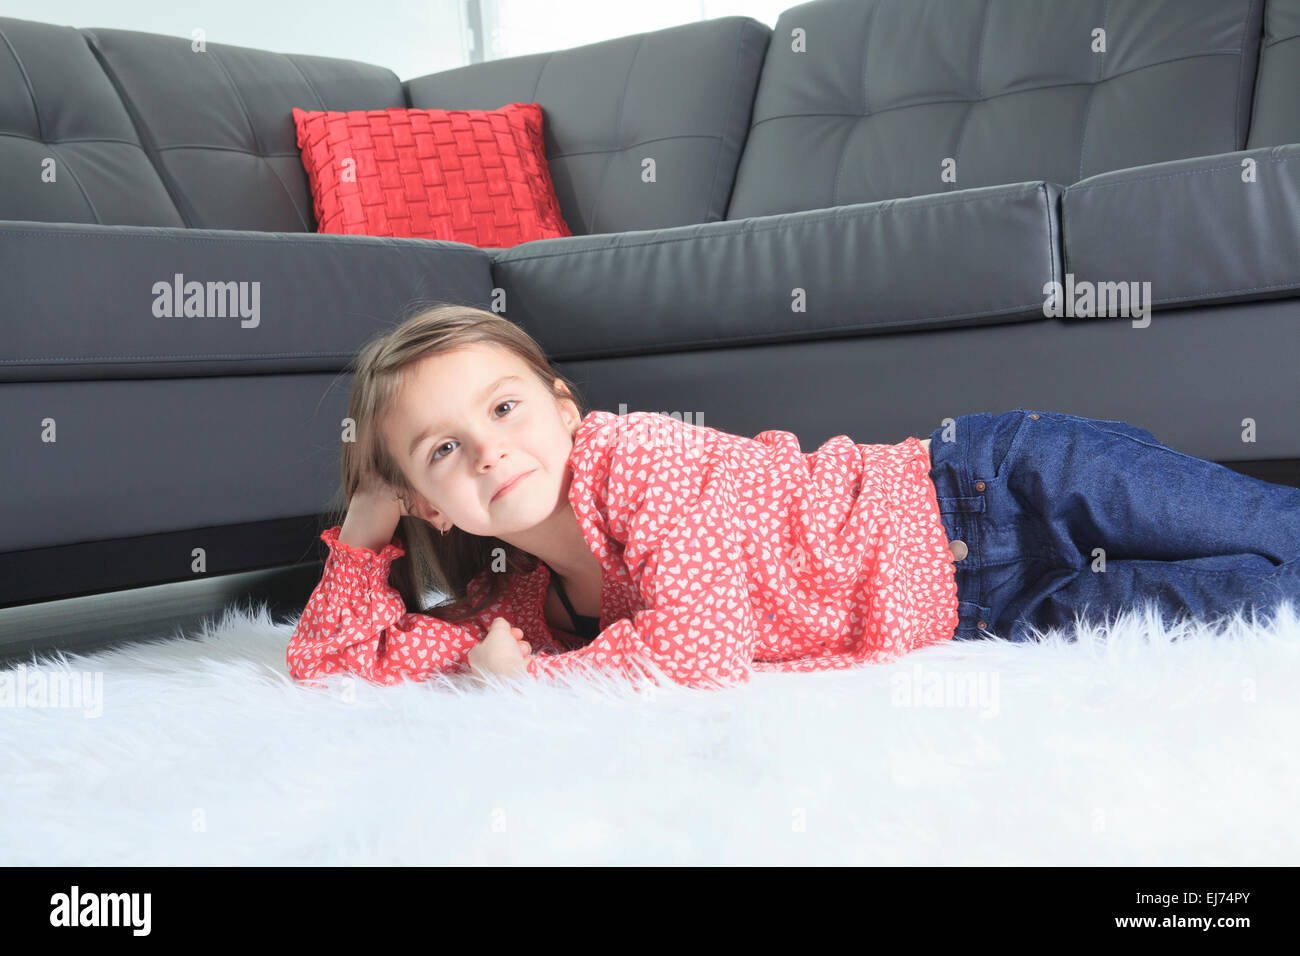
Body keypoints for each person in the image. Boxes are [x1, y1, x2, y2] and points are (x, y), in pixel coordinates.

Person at [287, 303, 1300, 691]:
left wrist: (524, 686)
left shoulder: (634, 457)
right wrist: (364, 528)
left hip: (992, 484)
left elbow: (699, 649)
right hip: (991, 606)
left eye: (505, 408)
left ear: (562, 405)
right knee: (1259, 598)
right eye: (445, 451)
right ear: (433, 503)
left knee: (1271, 529)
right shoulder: (519, 602)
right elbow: (330, 669)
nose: (490, 452)